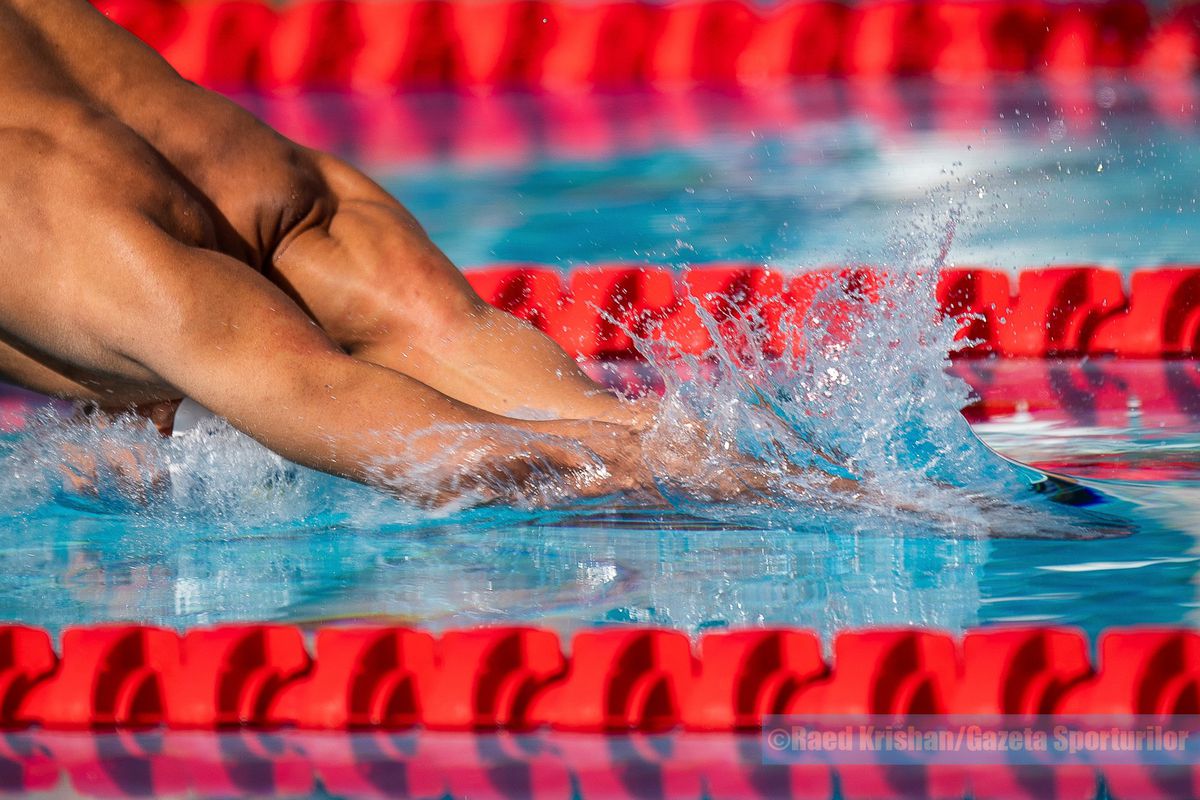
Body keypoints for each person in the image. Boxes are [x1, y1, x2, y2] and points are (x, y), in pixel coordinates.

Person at [0, 0, 668, 503]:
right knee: (474, 347)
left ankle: (631, 473)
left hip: (56, 210)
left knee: (319, 394)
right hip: (225, 154)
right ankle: (722, 465)